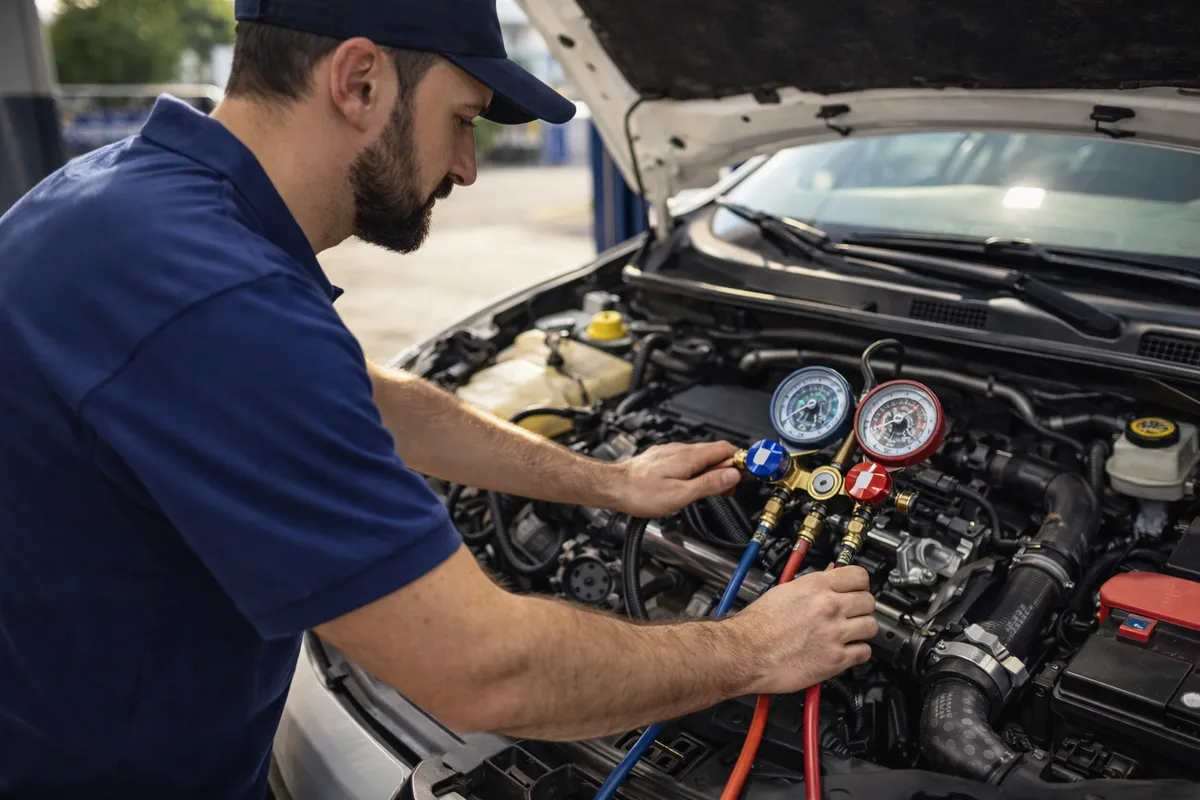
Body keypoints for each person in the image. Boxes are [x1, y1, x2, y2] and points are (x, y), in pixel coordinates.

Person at [0, 1, 878, 797]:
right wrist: (753, 648)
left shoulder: (119, 198)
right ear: (359, 79)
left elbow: (363, 393)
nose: (465, 167)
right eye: (461, 120)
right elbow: (484, 673)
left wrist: (610, 482)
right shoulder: (214, 300)